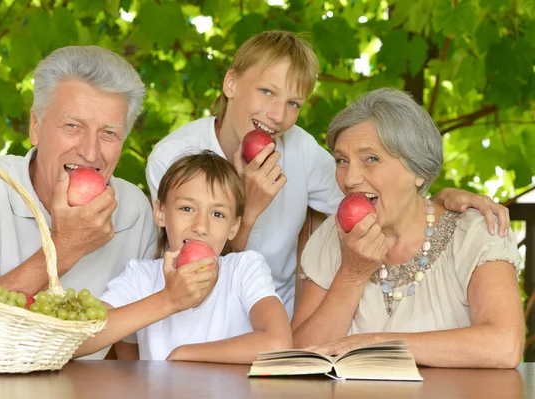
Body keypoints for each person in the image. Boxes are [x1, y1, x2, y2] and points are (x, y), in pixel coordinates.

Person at [145, 30, 511, 318]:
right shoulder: (173, 157)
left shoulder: (299, 149)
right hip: (200, 308)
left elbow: (369, 197)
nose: (277, 115)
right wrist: (249, 209)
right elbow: (199, 268)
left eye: (293, 104)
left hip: (274, 317)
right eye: (267, 92)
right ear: (231, 84)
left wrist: (439, 195)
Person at [0, 46, 157, 359]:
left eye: (109, 133)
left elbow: (129, 351)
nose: (91, 152)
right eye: (73, 126)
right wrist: (64, 248)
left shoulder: (134, 210)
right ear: (36, 127)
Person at [291, 88, 524, 368]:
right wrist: (351, 275)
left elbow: (504, 346)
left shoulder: (475, 233)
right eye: (342, 160)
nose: (350, 178)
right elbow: (301, 354)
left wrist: (374, 344)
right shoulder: (332, 235)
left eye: (371, 158)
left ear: (419, 171)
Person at [74, 151, 292, 362]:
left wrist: (185, 354)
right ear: (160, 213)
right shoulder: (140, 277)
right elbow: (75, 341)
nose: (200, 226)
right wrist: (168, 300)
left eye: (218, 214)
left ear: (234, 227)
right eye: (187, 208)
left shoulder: (245, 269)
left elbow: (278, 344)